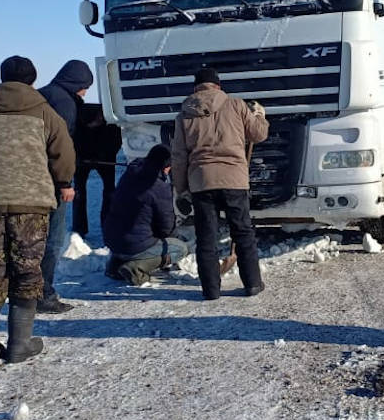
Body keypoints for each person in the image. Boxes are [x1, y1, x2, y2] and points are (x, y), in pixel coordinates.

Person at [0, 56, 75, 370]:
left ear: (2, 77)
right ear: (32, 81)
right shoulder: (45, 112)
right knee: (27, 269)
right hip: (31, 204)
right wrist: (63, 182)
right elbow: (63, 153)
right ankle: (20, 345)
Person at [171, 67, 269, 300]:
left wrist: (181, 187)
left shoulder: (184, 114)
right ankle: (253, 284)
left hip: (202, 181)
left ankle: (211, 290)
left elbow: (179, 156)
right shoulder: (236, 105)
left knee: (206, 236)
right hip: (234, 179)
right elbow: (258, 135)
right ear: (218, 86)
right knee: (243, 232)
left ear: (195, 87)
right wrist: (259, 116)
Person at [37, 60, 94, 314]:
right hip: (50, 180)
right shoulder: (65, 103)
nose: (85, 93)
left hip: (29, 178)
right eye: (84, 87)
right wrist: (65, 183)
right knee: (52, 239)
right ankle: (43, 294)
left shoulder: (42, 95)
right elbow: (62, 146)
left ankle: (26, 290)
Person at [103, 144, 190, 285]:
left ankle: (115, 264)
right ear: (166, 167)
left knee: (132, 233)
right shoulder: (159, 187)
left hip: (112, 240)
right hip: (133, 245)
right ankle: (135, 269)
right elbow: (166, 228)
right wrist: (174, 238)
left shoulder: (129, 173)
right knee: (180, 248)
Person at [73, 98, 123, 238]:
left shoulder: (109, 121)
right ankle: (79, 229)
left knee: (109, 190)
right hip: (83, 158)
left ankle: (107, 224)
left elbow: (117, 141)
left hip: (105, 158)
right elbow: (74, 141)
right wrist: (80, 157)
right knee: (79, 192)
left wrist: (105, 155)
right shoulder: (79, 121)